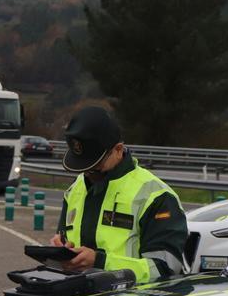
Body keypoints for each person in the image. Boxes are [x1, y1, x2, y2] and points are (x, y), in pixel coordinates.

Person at [48, 106, 189, 283]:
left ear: (118, 149)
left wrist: (100, 262)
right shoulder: (76, 189)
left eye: (96, 167)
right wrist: (60, 252)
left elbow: (165, 269)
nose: (89, 174)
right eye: (84, 168)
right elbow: (67, 246)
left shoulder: (157, 196)